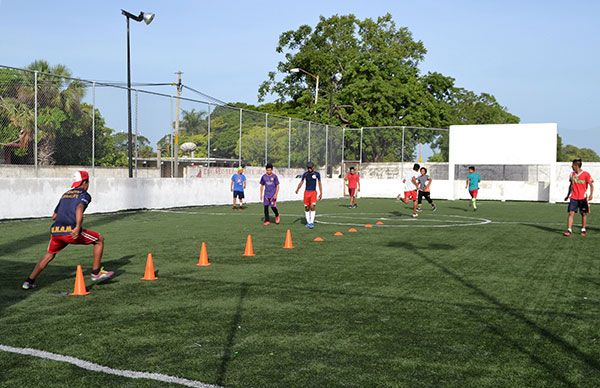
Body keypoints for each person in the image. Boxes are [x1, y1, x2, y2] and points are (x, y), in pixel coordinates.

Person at [22, 171, 113, 290]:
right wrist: (78, 227)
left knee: (49, 254)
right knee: (99, 240)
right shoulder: (84, 194)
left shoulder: (65, 194)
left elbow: (54, 216)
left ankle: (29, 282)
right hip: (71, 231)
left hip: (56, 231)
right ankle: (96, 274)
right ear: (85, 182)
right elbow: (79, 208)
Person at [563, 159, 594, 237]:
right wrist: (567, 195)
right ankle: (569, 230)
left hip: (582, 198)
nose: (571, 167)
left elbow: (591, 185)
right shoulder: (572, 174)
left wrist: (591, 195)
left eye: (572, 165)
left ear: (576, 166)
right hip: (573, 197)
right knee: (571, 213)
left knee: (583, 214)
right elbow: (571, 185)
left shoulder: (586, 174)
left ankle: (583, 229)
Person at [295, 161, 323, 229]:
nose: (309, 169)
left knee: (312, 206)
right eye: (308, 168)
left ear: (313, 167)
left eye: (310, 167)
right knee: (307, 208)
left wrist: (321, 193)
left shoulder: (317, 174)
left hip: (313, 192)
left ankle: (311, 223)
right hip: (306, 192)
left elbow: (319, 183)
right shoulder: (305, 174)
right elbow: (301, 182)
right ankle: (308, 222)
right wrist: (297, 189)